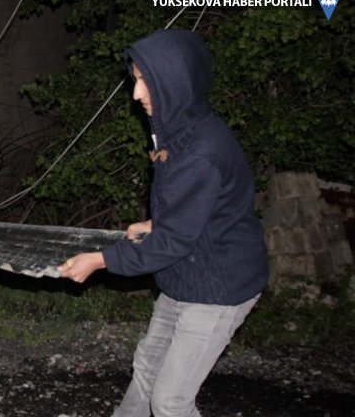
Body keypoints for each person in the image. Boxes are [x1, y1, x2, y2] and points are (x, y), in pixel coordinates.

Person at [58, 29, 269, 416]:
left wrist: (101, 260)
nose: (136, 94)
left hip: (218, 287)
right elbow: (201, 207)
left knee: (170, 401)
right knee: (147, 369)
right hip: (185, 273)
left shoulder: (201, 151)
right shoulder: (180, 128)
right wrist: (157, 224)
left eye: (146, 82)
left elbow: (175, 240)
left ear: (175, 84)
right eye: (136, 79)